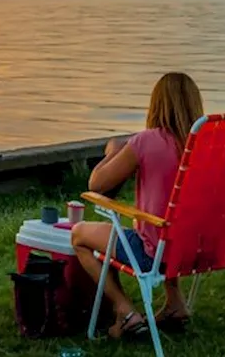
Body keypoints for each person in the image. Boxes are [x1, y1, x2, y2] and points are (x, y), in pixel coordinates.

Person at [70, 72, 204, 340]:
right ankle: (175, 303)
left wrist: (114, 152)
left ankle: (125, 311)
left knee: (79, 236)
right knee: (172, 224)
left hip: (153, 253)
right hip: (202, 249)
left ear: (156, 105)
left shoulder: (147, 141)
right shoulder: (208, 143)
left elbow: (96, 184)